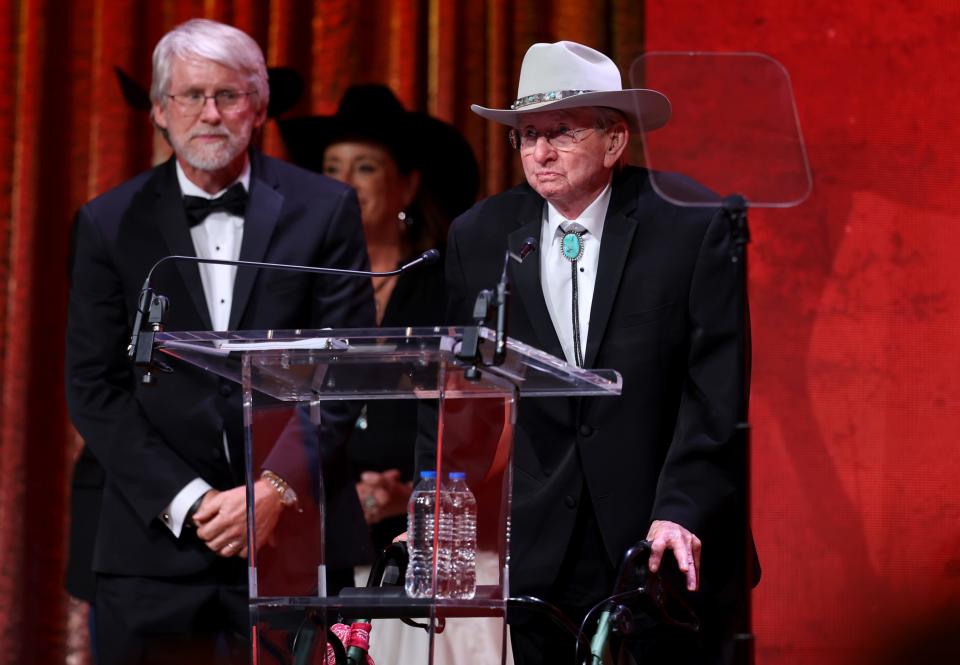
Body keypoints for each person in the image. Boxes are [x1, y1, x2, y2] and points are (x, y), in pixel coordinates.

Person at [430, 40, 755, 664]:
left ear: (614, 141)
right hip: (534, 548)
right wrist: (445, 517)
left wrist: (680, 510)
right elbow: (455, 390)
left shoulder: (691, 222)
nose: (540, 153)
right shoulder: (481, 235)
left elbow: (714, 391)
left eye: (561, 132)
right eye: (526, 135)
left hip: (659, 545)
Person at [65, 19, 374, 665]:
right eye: (190, 95)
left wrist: (272, 489)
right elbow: (94, 388)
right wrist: (195, 500)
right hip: (152, 544)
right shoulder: (106, 223)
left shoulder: (324, 209)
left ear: (257, 107)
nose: (210, 113)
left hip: (291, 538)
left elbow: (345, 370)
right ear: (158, 109)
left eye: (228, 96)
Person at [279, 84, 479, 551]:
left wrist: (414, 494)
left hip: (422, 528)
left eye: (364, 167)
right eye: (331, 169)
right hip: (312, 521)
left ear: (406, 186)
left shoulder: (447, 281)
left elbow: (473, 410)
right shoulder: (301, 283)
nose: (342, 183)